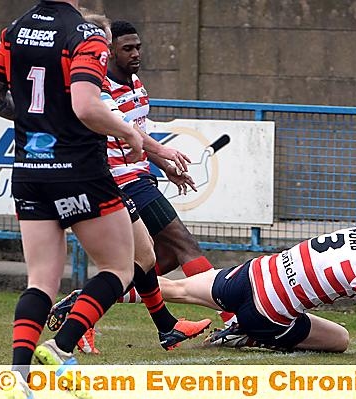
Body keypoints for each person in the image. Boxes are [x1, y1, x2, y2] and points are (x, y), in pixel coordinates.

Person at [49, 19, 236, 340]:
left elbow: (139, 135)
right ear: (108, 51)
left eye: (138, 47)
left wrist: (163, 165)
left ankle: (82, 305)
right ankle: (232, 317)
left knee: (155, 261)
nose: (136, 53)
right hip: (121, 181)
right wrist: (164, 152)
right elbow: (125, 129)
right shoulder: (99, 87)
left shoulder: (136, 84)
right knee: (183, 245)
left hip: (140, 177)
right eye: (127, 48)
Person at [0, 0, 142, 397]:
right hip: (78, 169)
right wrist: (130, 134)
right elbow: (85, 105)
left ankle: (16, 378)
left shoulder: (14, 31)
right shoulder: (86, 33)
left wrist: (33, 120)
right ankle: (60, 346)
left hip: (29, 170)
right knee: (119, 268)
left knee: (40, 280)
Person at [153, 206, 356, 359]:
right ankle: (246, 334)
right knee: (340, 339)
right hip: (267, 315)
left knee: (171, 288)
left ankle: (112, 284)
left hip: (250, 276)